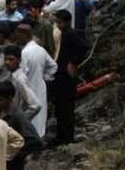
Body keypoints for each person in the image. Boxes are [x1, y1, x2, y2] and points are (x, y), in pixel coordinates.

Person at [0, 81, 43, 170]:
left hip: (14, 163)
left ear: (9, 98)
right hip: (2, 162)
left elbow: (35, 141)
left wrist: (15, 153)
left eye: (0, 100)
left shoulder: (18, 116)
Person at [52, 10, 87, 145]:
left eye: (59, 23)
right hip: (61, 75)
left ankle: (66, 138)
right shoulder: (65, 34)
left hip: (67, 77)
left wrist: (73, 62)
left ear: (66, 22)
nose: (58, 26)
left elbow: (84, 47)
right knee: (61, 107)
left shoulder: (70, 34)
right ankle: (61, 136)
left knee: (66, 108)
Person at [16, 24, 57, 137]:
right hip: (40, 88)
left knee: (30, 119)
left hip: (28, 90)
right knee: (40, 119)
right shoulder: (40, 49)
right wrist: (44, 77)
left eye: (19, 35)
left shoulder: (25, 53)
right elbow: (53, 67)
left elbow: (21, 74)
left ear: (26, 35)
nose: (17, 38)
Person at [2, 45, 42, 121]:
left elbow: (36, 106)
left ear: (19, 60)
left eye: (11, 59)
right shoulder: (10, 75)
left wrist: (20, 120)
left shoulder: (20, 79)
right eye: (5, 59)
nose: (7, 62)